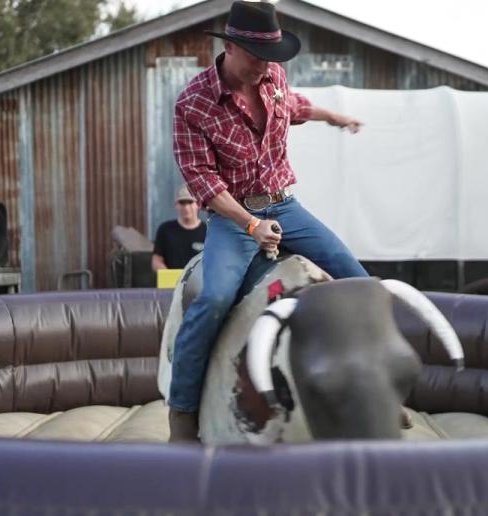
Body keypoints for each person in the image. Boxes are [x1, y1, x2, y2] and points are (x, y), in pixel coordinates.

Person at [168, 1, 368, 441]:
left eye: (272, 60)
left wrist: (333, 116)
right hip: (232, 214)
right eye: (257, 58)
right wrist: (250, 226)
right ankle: (181, 415)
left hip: (284, 204)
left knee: (359, 283)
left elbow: (292, 106)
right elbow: (203, 182)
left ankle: (368, 393)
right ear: (231, 48)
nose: (266, 68)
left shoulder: (272, 75)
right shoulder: (193, 105)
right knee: (215, 298)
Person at [152, 185, 207, 272]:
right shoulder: (165, 230)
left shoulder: (208, 232)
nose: (186, 207)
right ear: (176, 205)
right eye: (182, 203)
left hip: (200, 283)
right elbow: (156, 261)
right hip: (172, 284)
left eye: (190, 202)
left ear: (198, 204)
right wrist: (170, 276)